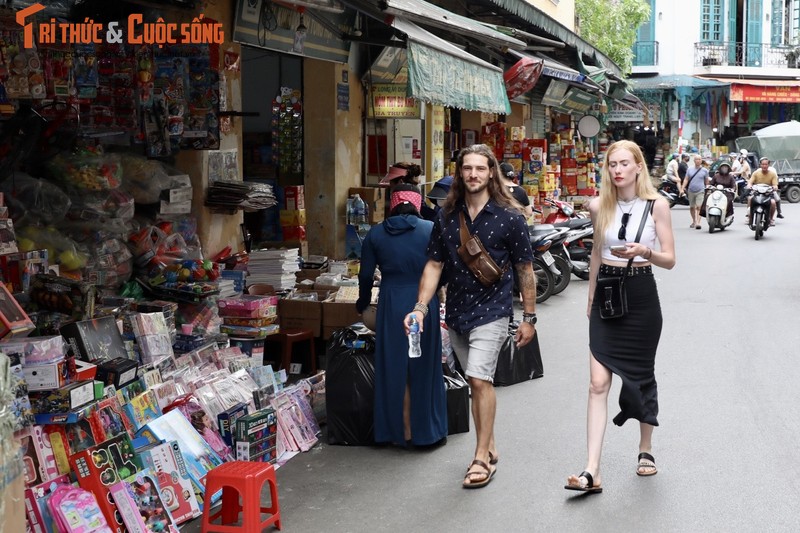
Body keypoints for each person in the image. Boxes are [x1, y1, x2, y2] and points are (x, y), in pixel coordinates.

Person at [404, 144, 537, 489]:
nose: (474, 175)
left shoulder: (510, 217)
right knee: (479, 382)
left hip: (494, 310)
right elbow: (434, 264)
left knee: (479, 380)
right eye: (468, 169)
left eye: (480, 168)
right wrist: (420, 307)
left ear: (491, 172)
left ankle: (480, 457)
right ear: (460, 173)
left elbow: (525, 269)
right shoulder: (447, 217)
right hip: (459, 312)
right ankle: (489, 443)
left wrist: (529, 317)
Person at [564, 140, 676, 494]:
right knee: (597, 383)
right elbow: (597, 252)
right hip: (607, 295)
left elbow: (670, 258)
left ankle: (645, 448)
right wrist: (591, 295)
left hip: (641, 292)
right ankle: (591, 470)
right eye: (612, 164)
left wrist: (646, 251)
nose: (617, 170)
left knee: (641, 375)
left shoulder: (658, 205)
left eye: (624, 163)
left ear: (638, 166)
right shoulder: (599, 205)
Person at [356, 183, 447, 447]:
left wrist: (362, 303)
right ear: (417, 203)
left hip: (391, 302)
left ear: (392, 203)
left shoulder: (375, 234)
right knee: (423, 365)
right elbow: (442, 267)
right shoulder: (430, 229)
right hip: (421, 301)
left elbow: (365, 275)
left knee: (392, 365)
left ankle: (397, 431)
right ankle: (425, 433)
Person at [746, 157, 780, 226]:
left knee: (773, 203)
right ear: (760, 165)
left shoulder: (773, 174)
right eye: (763, 164)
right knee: (750, 199)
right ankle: (749, 216)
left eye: (766, 164)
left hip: (768, 193)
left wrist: (775, 187)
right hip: (757, 192)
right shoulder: (756, 173)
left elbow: (775, 185)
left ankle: (771, 219)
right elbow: (750, 182)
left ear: (768, 165)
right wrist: (749, 185)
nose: (764, 166)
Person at [682, 155, 709, 229]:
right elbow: (686, 179)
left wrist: (707, 189)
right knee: (692, 207)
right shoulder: (689, 169)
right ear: (694, 161)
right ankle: (694, 221)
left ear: (701, 161)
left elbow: (707, 182)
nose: (698, 160)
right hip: (691, 190)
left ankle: (698, 223)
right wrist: (682, 188)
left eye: (699, 159)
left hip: (700, 190)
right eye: (696, 159)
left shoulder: (705, 170)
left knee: (699, 206)